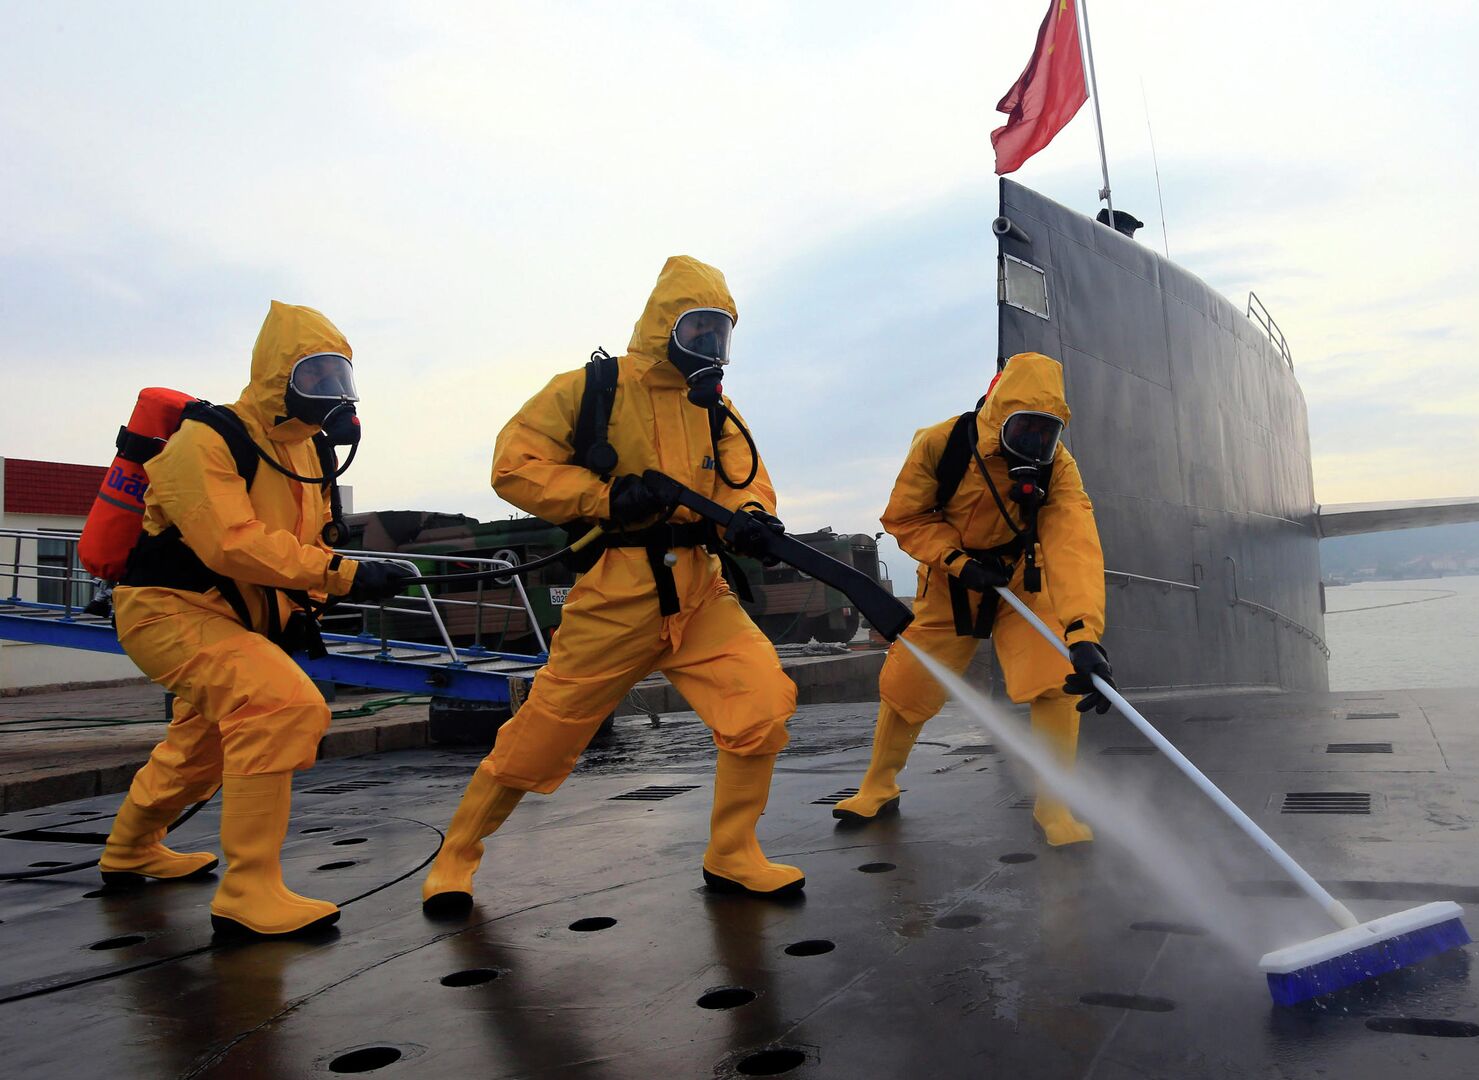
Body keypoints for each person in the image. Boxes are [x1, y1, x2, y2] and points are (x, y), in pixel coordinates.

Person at [422, 255, 803, 911]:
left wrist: (753, 520)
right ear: (664, 327)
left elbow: (745, 481)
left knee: (762, 704)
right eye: (697, 330)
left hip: (701, 591)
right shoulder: (591, 387)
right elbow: (514, 464)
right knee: (539, 737)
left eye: (719, 333)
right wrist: (602, 497)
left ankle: (733, 853)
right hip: (616, 595)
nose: (710, 346)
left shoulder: (716, 408)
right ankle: (455, 859)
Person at [98, 301, 413, 937]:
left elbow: (302, 546)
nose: (332, 392)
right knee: (278, 705)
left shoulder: (310, 455)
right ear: (277, 375)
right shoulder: (207, 441)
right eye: (316, 377)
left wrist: (338, 585)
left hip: (233, 619)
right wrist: (347, 577)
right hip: (168, 610)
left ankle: (130, 849)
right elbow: (230, 545)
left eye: (339, 379)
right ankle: (248, 893)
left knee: (199, 748)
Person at [833, 352, 1115, 846]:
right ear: (998, 414)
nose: (1033, 444)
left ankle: (1054, 806)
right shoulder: (942, 445)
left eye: (1044, 434)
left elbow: (1073, 545)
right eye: (1023, 429)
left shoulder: (1058, 469)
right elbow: (906, 517)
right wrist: (959, 562)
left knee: (1054, 679)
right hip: (951, 580)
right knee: (908, 682)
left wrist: (1083, 633)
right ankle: (878, 785)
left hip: (1022, 579)